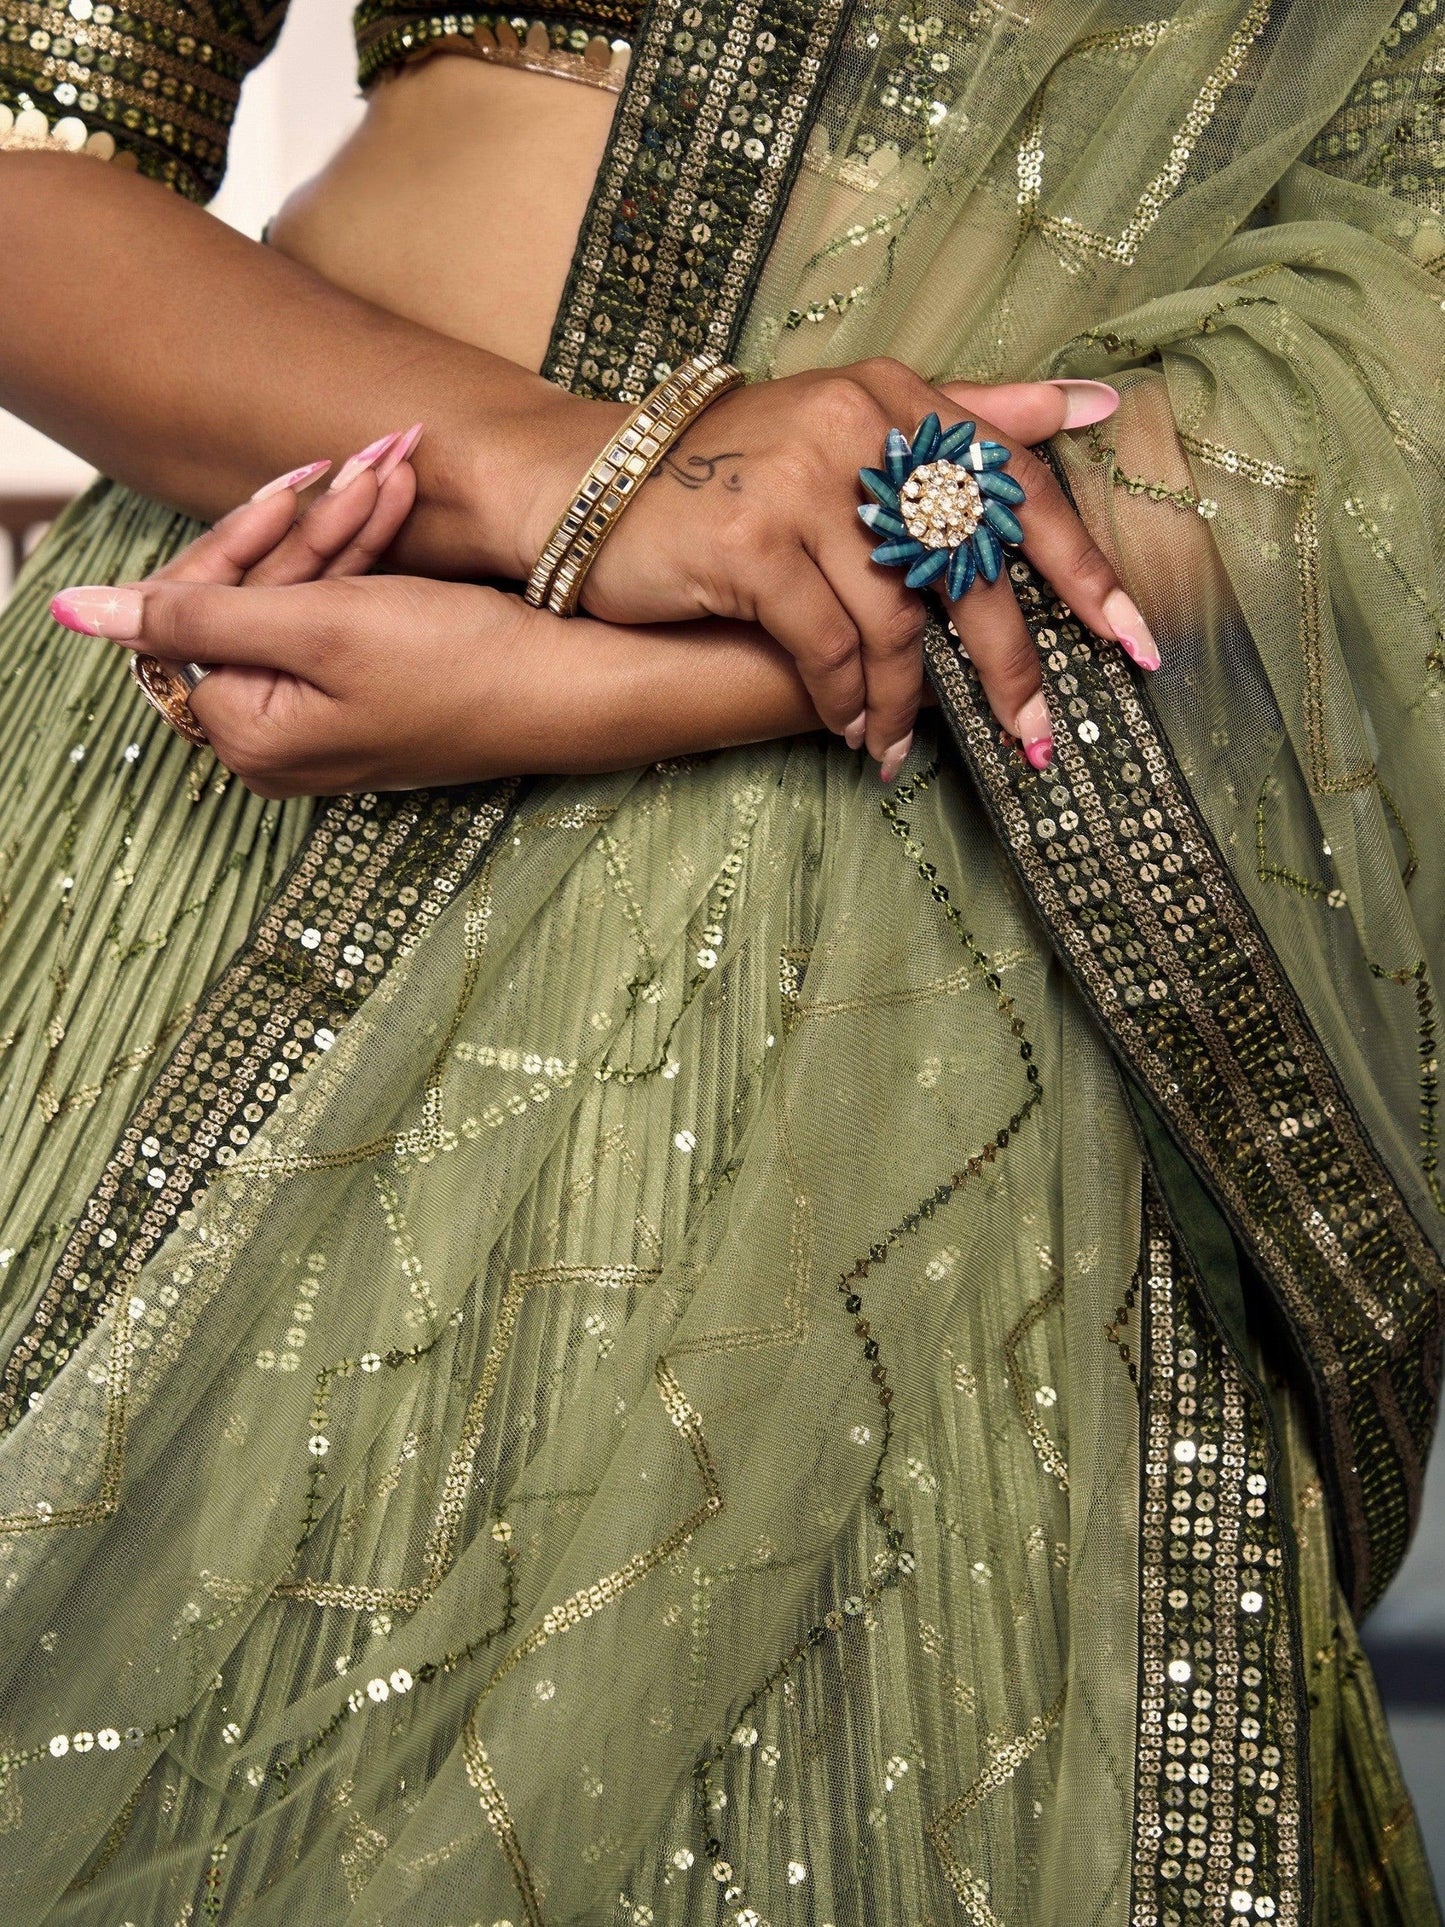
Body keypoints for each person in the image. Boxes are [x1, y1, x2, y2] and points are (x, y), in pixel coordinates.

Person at [0, 0, 1440, 1918]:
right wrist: (555, 488)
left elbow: (1401, 333)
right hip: (222, 791)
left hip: (928, 941)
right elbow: (33, 160)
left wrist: (601, 672)